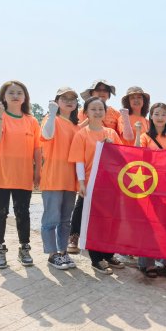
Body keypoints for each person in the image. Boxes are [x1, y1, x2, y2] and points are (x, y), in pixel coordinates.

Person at [0, 81, 42, 269]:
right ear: (4, 97)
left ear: (25, 97)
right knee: (0, 212)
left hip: (23, 175)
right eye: (11, 93)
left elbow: (37, 149)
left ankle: (24, 248)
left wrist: (38, 171)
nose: (15, 96)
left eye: (19, 93)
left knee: (23, 212)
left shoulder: (32, 121)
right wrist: (0, 116)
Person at [68, 97, 125, 274]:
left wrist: (112, 148)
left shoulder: (111, 133)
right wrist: (81, 183)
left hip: (110, 185)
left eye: (100, 109)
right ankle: (96, 259)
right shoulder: (81, 134)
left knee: (111, 221)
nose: (97, 112)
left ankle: (109, 254)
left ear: (105, 112)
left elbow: (122, 158)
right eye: (93, 109)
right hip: (91, 184)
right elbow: (78, 160)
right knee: (94, 222)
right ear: (86, 112)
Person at [136, 102, 166, 277]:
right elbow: (136, 154)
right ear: (151, 116)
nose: (160, 117)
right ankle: (147, 262)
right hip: (149, 185)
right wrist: (137, 132)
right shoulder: (145, 137)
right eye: (156, 114)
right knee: (149, 223)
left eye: (163, 114)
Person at [40, 87, 80, 270]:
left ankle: (63, 252)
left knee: (65, 220)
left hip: (70, 180)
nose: (69, 101)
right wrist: (52, 113)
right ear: (57, 101)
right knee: (51, 219)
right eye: (65, 98)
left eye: (73, 99)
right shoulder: (51, 119)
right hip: (53, 177)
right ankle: (52, 254)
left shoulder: (76, 127)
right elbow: (47, 135)